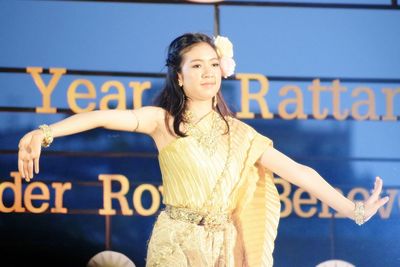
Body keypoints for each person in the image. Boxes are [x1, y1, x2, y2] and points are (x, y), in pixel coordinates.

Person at [17, 33, 389, 267]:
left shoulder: (242, 135)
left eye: (213, 64)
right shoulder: (160, 121)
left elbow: (299, 172)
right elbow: (101, 117)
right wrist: (45, 132)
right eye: (197, 65)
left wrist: (354, 209)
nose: (208, 72)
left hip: (225, 250)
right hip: (175, 243)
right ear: (179, 76)